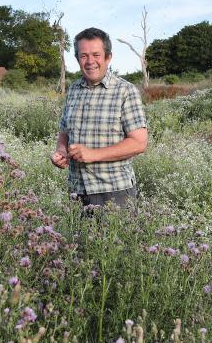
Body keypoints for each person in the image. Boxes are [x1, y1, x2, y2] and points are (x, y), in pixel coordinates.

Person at [51, 27, 148, 209]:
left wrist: (93, 155)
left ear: (108, 57)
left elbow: (139, 143)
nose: (90, 62)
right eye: (83, 55)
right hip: (77, 192)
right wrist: (61, 151)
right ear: (77, 59)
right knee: (78, 239)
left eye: (96, 54)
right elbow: (64, 132)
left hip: (114, 193)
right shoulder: (73, 90)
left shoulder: (125, 91)